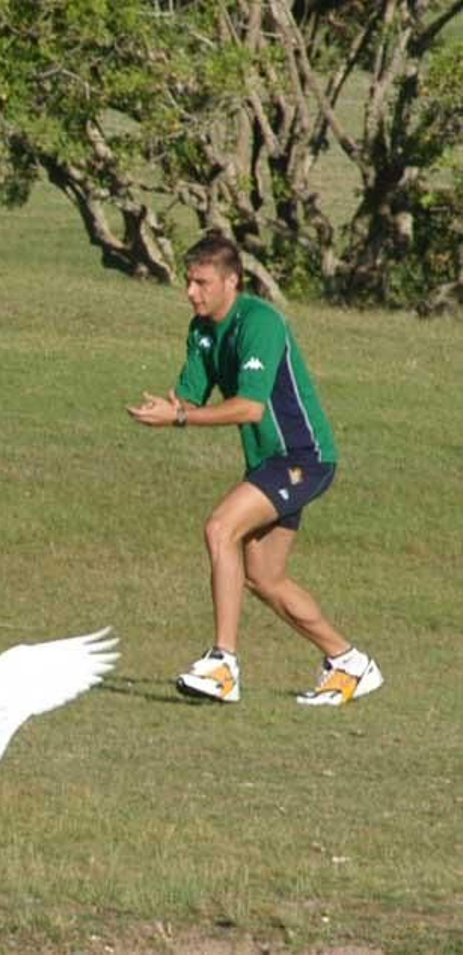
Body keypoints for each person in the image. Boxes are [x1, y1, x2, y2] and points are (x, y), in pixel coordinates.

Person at [127, 232, 381, 706]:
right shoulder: (202, 329)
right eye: (189, 281)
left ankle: (223, 664)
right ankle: (348, 662)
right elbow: (190, 396)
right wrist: (169, 407)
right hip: (271, 463)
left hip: (304, 458)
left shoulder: (260, 321)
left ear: (231, 281)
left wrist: (179, 418)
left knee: (221, 529)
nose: (191, 291)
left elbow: (249, 409)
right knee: (264, 576)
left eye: (201, 282)